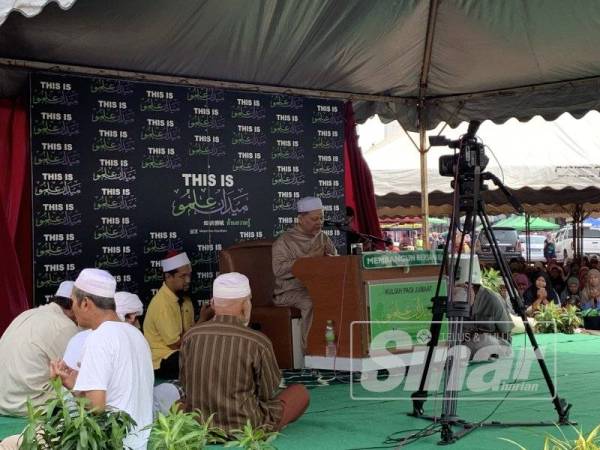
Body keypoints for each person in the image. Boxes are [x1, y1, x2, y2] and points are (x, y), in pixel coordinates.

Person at [180, 273, 310, 433]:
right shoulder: (257, 342)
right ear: (244, 304)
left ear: (213, 304)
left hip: (199, 424)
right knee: (299, 393)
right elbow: (267, 392)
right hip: (246, 427)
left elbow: (186, 384)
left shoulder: (190, 336)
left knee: (177, 403)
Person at [50, 268, 154, 450]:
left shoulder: (99, 337)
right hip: (139, 444)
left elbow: (96, 407)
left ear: (85, 303)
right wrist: (75, 381)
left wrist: (68, 386)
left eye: (73, 302)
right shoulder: (137, 335)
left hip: (114, 444)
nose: (72, 309)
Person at [0, 281, 78, 416]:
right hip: (30, 408)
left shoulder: (26, 314)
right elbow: (78, 375)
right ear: (74, 304)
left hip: (4, 405)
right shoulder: (64, 325)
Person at [272, 196, 337, 348]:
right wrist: (308, 259)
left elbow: (336, 261)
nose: (319, 222)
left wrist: (331, 259)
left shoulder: (323, 238)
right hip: (289, 291)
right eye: (314, 219)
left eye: (321, 218)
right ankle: (312, 350)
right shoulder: (284, 241)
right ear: (300, 219)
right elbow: (279, 270)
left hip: (319, 287)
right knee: (311, 301)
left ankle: (334, 347)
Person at [144, 250, 196, 379]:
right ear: (168, 277)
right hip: (163, 359)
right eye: (183, 276)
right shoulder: (162, 304)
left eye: (189, 275)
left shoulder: (186, 300)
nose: (188, 280)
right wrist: (204, 320)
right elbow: (176, 344)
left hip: (181, 353)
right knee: (195, 359)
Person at [63, 291, 144, 370]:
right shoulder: (112, 339)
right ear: (131, 317)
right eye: (137, 318)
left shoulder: (79, 337)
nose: (138, 324)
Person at [455, 256, 513, 361]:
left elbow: (506, 333)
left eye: (462, 287)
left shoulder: (493, 299)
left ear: (471, 286)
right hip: (464, 345)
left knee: (484, 341)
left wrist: (481, 334)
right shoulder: (453, 297)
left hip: (495, 344)